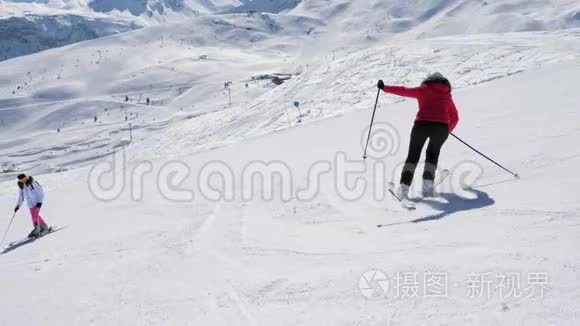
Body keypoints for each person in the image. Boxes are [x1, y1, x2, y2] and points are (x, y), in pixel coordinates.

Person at [377, 72, 459, 199]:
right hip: (441, 128)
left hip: (421, 126)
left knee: (413, 156)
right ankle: (427, 185)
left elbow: (404, 91)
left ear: (429, 80)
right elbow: (455, 117)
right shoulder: (447, 95)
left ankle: (404, 189)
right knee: (432, 155)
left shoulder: (424, 89)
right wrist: (446, 130)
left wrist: (385, 87)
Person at [14, 174, 50, 238]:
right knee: (35, 216)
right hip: (30, 204)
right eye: (21, 179)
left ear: (26, 177)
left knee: (35, 216)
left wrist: (39, 202)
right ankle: (44, 227)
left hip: (37, 202)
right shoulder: (21, 186)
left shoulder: (32, 183)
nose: (23, 180)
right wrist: (17, 206)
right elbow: (21, 198)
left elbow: (41, 192)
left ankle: (38, 228)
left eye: (24, 178)